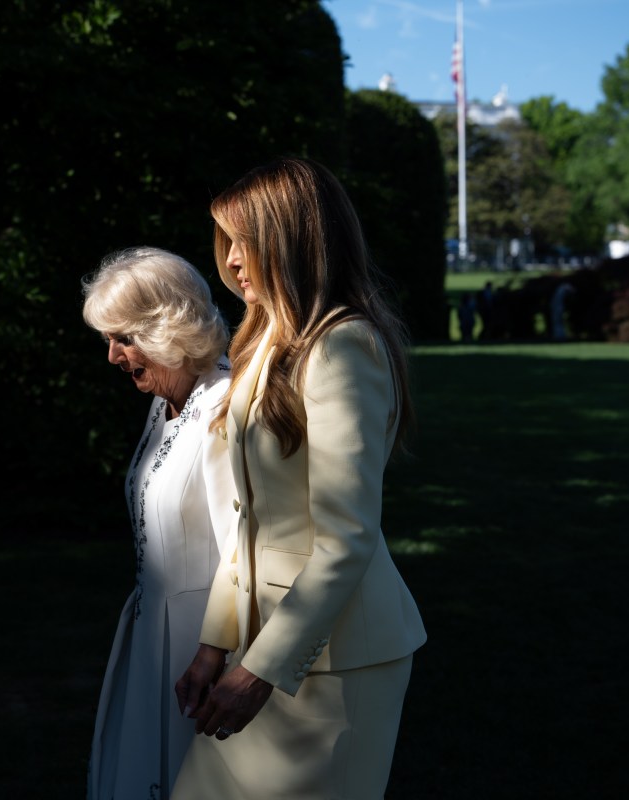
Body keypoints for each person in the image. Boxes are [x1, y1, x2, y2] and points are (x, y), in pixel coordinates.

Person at [171, 158, 427, 799]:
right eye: (223, 243)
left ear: (291, 238)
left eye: (244, 242)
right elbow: (251, 521)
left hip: (336, 663)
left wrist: (257, 671)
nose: (229, 261)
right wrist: (215, 644)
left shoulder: (344, 347)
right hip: (263, 648)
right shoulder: (264, 345)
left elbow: (346, 537)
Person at [82, 246, 237, 800]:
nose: (113, 356)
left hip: (204, 651)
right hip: (152, 635)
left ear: (167, 327)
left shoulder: (227, 405)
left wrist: (214, 655)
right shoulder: (168, 400)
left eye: (123, 338)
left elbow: (246, 550)